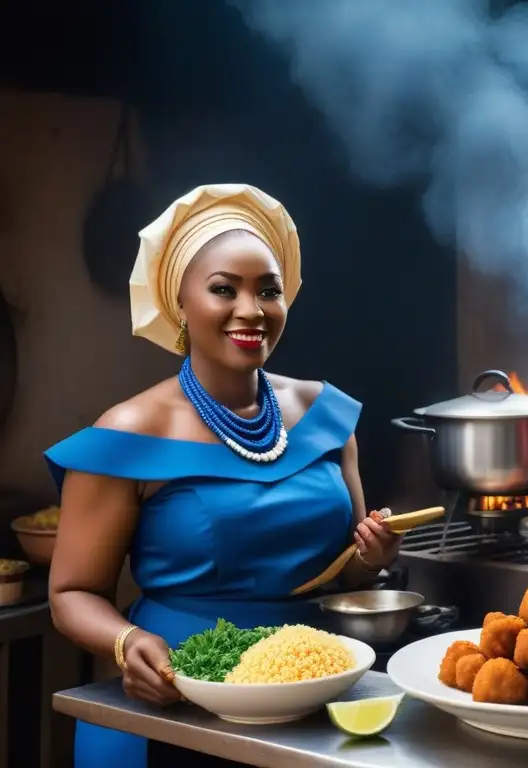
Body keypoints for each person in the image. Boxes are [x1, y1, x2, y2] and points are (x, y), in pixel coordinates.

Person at [45, 184, 401, 768]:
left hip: (313, 694)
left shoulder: (326, 415)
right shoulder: (129, 433)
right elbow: (72, 593)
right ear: (180, 301)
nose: (251, 310)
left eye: (268, 290)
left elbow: (346, 570)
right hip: (178, 701)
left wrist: (373, 552)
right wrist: (126, 642)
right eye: (222, 289)